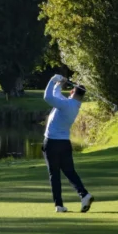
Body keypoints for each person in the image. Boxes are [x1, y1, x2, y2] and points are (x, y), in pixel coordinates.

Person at [42, 74, 95, 213]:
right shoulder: (72, 104)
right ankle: (84, 195)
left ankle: (59, 205)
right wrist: (59, 83)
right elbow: (55, 94)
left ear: (72, 92)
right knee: (69, 172)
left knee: (54, 174)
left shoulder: (66, 104)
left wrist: (53, 79)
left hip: (52, 143)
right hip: (64, 144)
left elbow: (47, 97)